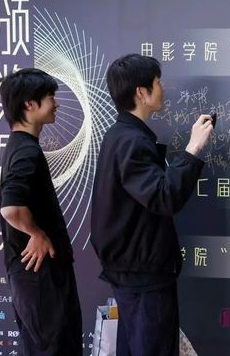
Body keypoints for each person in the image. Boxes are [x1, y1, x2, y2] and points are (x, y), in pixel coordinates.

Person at [91, 54, 213, 356]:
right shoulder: (132, 142)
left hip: (134, 272)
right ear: (141, 93)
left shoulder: (120, 135)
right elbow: (163, 197)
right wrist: (193, 148)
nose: (163, 88)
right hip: (142, 277)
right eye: (158, 82)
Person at [0, 68, 82, 355]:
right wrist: (37, 234)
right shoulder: (26, 151)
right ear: (29, 105)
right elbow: (11, 207)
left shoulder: (20, 145)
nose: (56, 104)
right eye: (50, 97)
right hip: (41, 278)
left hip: (33, 278)